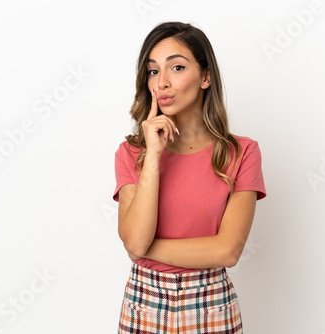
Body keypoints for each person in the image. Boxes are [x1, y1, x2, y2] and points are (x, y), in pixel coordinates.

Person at [113, 21, 267, 334]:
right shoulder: (131, 154)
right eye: (153, 71)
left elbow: (227, 251)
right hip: (144, 300)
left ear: (206, 77)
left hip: (211, 302)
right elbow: (134, 239)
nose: (162, 82)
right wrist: (154, 155)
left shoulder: (242, 152)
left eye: (177, 67)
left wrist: (142, 249)